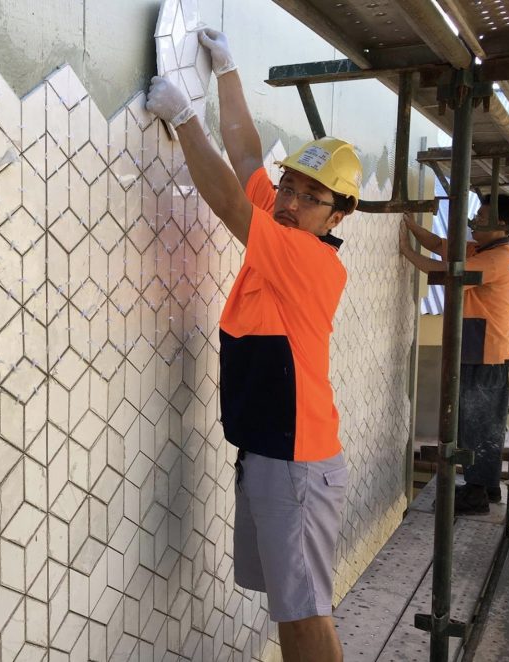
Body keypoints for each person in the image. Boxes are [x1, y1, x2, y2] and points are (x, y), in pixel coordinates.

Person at [146, 27, 362, 662]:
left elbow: (227, 202)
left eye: (309, 196)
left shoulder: (309, 259)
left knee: (305, 619)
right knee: (293, 614)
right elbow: (245, 162)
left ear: (338, 214)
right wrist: (228, 71)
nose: (289, 201)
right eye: (290, 187)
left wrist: (186, 117)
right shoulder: (284, 221)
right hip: (273, 455)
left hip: (296, 465)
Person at [399, 194, 509, 514]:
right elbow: (442, 245)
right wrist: (412, 226)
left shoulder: (497, 259)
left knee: (475, 421)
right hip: (482, 347)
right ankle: (487, 486)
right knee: (483, 420)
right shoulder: (483, 250)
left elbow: (447, 274)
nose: (476, 222)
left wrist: (407, 252)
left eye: (482, 218)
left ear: (504, 225)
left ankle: (477, 490)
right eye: (478, 216)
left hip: (484, 350)